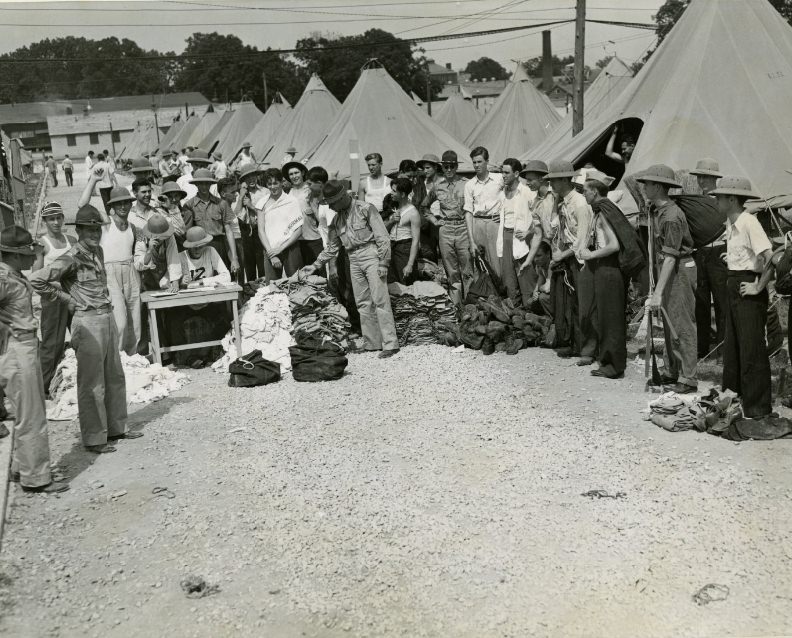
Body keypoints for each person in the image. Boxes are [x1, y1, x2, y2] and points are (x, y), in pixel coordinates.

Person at [30, 205, 140, 454]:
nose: (94, 234)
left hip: (106, 316)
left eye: (97, 229)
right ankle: (94, 438)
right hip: (87, 320)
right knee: (92, 383)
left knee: (115, 375)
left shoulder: (98, 251)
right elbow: (37, 279)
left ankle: (117, 428)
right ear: (78, 230)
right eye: (88, 229)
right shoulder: (71, 257)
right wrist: (66, 299)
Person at [0, 226, 68, 493]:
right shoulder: (4, 278)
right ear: (16, 254)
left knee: (28, 411)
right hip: (17, 348)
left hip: (23, 346)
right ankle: (37, 477)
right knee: (31, 416)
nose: (33, 256)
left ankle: (21, 467)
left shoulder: (11, 274)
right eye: (29, 251)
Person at [301, 180, 399, 358]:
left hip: (371, 254)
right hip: (352, 257)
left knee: (380, 299)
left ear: (341, 198)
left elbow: (382, 236)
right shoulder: (337, 220)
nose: (330, 207)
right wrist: (316, 265)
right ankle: (372, 342)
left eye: (332, 203)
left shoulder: (365, 208)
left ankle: (390, 343)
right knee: (362, 302)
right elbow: (332, 247)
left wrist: (384, 262)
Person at [711, 176, 772, 418]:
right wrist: (734, 259)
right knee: (733, 346)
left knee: (752, 348)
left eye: (720, 197)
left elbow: (770, 257)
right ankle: (735, 397)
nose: (716, 200)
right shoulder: (731, 222)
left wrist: (758, 287)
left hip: (748, 287)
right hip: (734, 282)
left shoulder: (749, 222)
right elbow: (749, 253)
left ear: (732, 199)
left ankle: (757, 407)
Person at [638, 164, 698, 394]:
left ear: (659, 186)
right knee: (670, 321)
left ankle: (688, 377)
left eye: (648, 184)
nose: (644, 187)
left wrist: (657, 292)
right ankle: (672, 370)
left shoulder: (671, 216)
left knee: (682, 323)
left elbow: (672, 256)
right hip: (667, 267)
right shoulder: (657, 210)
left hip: (679, 269)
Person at [79, 175, 142, 354]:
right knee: (120, 323)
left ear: (131, 204)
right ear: (112, 206)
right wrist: (93, 181)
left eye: (126, 203)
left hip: (131, 272)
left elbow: (145, 244)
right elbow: (82, 206)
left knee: (136, 322)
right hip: (110, 274)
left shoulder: (133, 226)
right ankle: (118, 360)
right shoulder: (106, 224)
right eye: (118, 203)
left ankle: (133, 359)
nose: (123, 207)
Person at [580, 172, 629, 379]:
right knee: (604, 316)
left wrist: (591, 254)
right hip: (604, 268)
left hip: (609, 269)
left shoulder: (605, 213)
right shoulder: (602, 211)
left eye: (585, 191)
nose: (583, 195)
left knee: (611, 317)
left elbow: (614, 245)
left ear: (594, 191)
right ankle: (607, 360)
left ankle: (613, 365)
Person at [546, 159, 594, 363]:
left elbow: (583, 239)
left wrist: (562, 255)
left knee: (585, 305)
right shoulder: (564, 202)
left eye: (555, 180)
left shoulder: (580, 203)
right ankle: (576, 344)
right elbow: (557, 229)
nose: (552, 185)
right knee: (572, 304)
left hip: (581, 260)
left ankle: (589, 350)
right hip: (569, 257)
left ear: (566, 179)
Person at [32, 202, 76, 393]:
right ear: (45, 221)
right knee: (52, 345)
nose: (56, 222)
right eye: (52, 219)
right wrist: (59, 287)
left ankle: (75, 382)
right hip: (53, 299)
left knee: (81, 339)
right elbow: (37, 275)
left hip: (74, 297)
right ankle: (43, 388)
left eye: (59, 218)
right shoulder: (42, 244)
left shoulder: (71, 241)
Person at [688, 157, 728, 359]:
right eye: (699, 177)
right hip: (700, 253)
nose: (701, 181)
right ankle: (701, 347)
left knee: (722, 302)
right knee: (700, 303)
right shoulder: (694, 202)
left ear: (714, 178)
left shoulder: (723, 198)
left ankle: (722, 349)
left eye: (705, 177)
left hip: (719, 253)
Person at [421, 150, 475, 299]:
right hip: (446, 230)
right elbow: (424, 207)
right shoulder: (438, 187)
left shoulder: (466, 184)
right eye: (446, 167)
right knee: (452, 272)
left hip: (463, 228)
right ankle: (457, 306)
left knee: (468, 270)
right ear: (442, 168)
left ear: (456, 167)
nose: (449, 170)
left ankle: (471, 305)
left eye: (452, 166)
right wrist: (435, 221)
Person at [498, 158, 542, 309]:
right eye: (502, 172)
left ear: (516, 174)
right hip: (506, 235)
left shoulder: (527, 191)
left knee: (525, 274)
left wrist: (529, 232)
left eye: (506, 172)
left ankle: (531, 310)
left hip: (523, 238)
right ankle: (515, 313)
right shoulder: (503, 192)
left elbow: (538, 215)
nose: (503, 175)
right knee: (509, 277)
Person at [182, 169, 239, 273]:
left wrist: (234, 258)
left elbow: (228, 231)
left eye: (207, 184)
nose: (204, 187)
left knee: (223, 277)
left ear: (210, 184)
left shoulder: (221, 203)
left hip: (220, 245)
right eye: (201, 184)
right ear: (196, 185)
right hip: (200, 247)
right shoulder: (189, 206)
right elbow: (188, 232)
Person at [257, 168, 304, 280]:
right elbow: (261, 231)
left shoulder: (292, 201)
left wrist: (281, 248)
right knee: (272, 287)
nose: (273, 187)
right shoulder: (261, 203)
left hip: (291, 248)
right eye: (269, 184)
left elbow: (298, 230)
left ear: (281, 182)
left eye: (275, 183)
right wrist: (272, 254)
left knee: (296, 284)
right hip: (270, 249)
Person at [464, 146, 503, 277]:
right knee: (479, 261)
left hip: (494, 222)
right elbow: (468, 212)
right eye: (474, 162)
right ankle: (482, 294)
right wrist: (471, 240)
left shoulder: (499, 179)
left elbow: (512, 195)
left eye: (479, 162)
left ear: (487, 161)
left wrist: (504, 215)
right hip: (477, 223)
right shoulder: (469, 185)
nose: (476, 165)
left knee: (496, 261)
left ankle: (500, 293)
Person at [235, 164, 269, 282]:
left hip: (261, 229)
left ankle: (263, 289)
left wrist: (251, 206)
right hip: (246, 231)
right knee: (249, 264)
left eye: (253, 176)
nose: (251, 180)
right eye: (247, 177)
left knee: (262, 263)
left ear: (257, 177)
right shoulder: (240, 194)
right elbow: (236, 214)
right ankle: (250, 290)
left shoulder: (265, 192)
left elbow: (268, 212)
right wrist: (241, 196)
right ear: (244, 180)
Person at [385, 177, 421, 284]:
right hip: (391, 246)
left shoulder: (413, 213)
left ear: (403, 194)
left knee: (405, 283)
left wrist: (410, 264)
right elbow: (383, 230)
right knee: (392, 282)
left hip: (405, 247)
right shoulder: (393, 208)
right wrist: (391, 221)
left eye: (394, 191)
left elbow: (415, 241)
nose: (391, 193)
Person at [134, 213, 181, 293]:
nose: (159, 239)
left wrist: (175, 284)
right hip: (147, 276)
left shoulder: (169, 237)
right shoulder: (141, 240)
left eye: (162, 236)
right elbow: (138, 266)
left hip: (164, 273)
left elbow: (173, 258)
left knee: (166, 286)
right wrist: (149, 250)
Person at [298, 165, 326, 265]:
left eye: (309, 184)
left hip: (328, 241)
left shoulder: (328, 198)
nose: (308, 187)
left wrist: (311, 204)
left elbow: (324, 222)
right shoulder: (313, 197)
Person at [158, 181, 188, 250]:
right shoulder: (159, 213)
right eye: (170, 197)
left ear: (180, 196)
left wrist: (172, 209)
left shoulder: (187, 213)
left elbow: (181, 232)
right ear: (164, 198)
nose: (174, 199)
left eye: (176, 196)